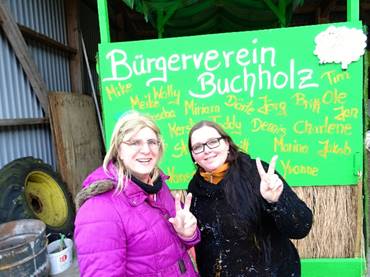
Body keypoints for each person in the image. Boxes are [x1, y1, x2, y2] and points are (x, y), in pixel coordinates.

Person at [74, 111, 200, 276]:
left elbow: (175, 247)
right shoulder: (98, 209)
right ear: (118, 150)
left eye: (152, 142)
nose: (146, 150)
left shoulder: (158, 185)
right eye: (134, 143)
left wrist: (188, 234)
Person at [187, 120, 313, 277]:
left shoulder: (257, 174)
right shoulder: (195, 189)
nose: (206, 150)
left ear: (226, 143)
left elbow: (301, 228)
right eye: (198, 147)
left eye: (213, 142)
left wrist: (276, 202)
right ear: (193, 155)